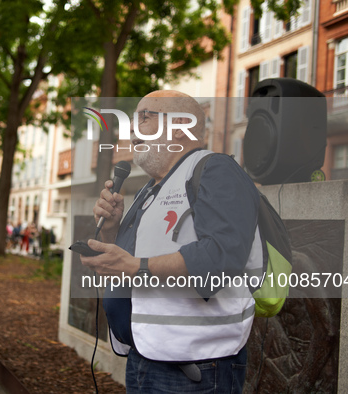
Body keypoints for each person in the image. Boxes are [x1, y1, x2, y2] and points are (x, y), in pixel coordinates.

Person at [80, 91, 261, 393]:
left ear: (179, 126)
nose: (132, 128)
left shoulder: (215, 169)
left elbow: (221, 256)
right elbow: (127, 263)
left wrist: (137, 266)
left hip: (194, 367)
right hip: (144, 356)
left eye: (145, 117)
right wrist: (111, 230)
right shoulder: (149, 190)